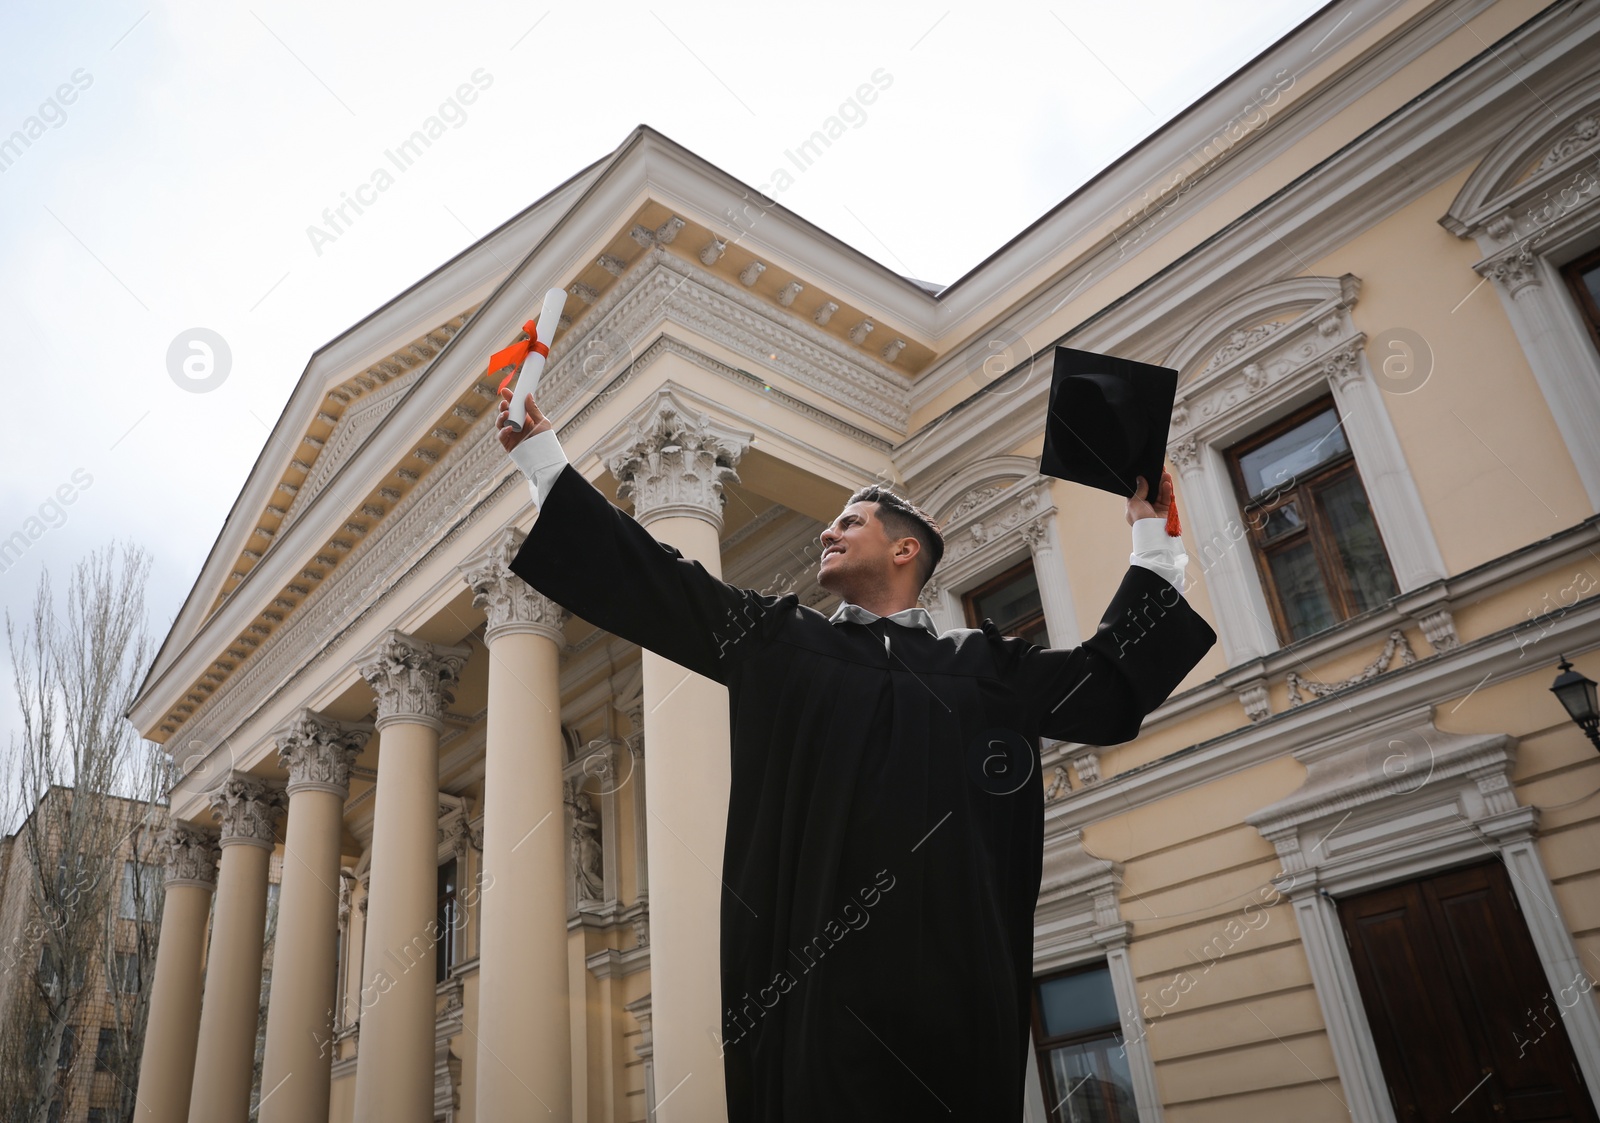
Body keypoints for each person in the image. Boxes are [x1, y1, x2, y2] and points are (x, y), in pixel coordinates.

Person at [496, 386, 1215, 1121]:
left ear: (906, 549)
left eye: (850, 522)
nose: (826, 534)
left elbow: (1104, 684)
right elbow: (661, 583)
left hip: (952, 1004)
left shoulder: (985, 667)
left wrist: (1151, 536)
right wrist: (542, 459)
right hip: (815, 1001)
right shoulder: (782, 643)